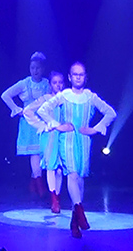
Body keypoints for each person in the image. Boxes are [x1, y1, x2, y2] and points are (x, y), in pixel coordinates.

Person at [37, 62, 116, 239]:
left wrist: (95, 129)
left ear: (85, 77)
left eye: (81, 74)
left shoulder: (90, 97)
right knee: (72, 175)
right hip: (68, 140)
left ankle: (74, 221)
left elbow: (111, 113)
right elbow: (43, 110)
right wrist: (58, 125)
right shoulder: (64, 95)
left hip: (84, 141)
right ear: (70, 77)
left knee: (79, 180)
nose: (78, 77)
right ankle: (80, 212)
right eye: (75, 74)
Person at [0, 52, 51, 196]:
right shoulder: (24, 83)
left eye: (38, 68)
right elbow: (5, 95)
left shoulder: (47, 84)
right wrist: (17, 110)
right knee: (34, 153)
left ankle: (33, 184)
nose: (35, 71)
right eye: (32, 68)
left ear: (43, 68)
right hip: (29, 124)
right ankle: (39, 184)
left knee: (42, 153)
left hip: (43, 121)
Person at [23, 71, 66, 212]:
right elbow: (28, 111)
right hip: (49, 136)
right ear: (50, 84)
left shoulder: (66, 99)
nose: (58, 85)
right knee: (51, 167)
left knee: (60, 170)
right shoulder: (45, 99)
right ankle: (54, 200)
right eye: (55, 82)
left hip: (63, 136)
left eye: (60, 82)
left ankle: (57, 196)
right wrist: (41, 125)